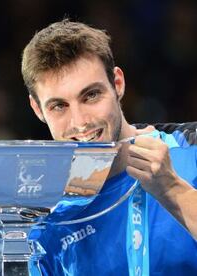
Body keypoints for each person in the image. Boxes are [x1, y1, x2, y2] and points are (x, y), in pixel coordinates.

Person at [21, 19, 197, 275]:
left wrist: (173, 190)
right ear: (38, 110)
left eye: (90, 95)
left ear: (117, 83)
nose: (80, 123)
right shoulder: (46, 214)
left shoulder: (190, 146)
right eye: (59, 106)